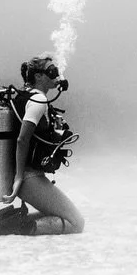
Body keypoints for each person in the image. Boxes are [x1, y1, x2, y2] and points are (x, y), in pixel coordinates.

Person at [10, 55, 85, 235]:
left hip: (29, 176)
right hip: (28, 178)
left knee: (59, 214)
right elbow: (22, 139)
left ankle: (13, 224)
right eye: (51, 71)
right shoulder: (39, 100)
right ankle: (18, 229)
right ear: (38, 76)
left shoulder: (26, 95)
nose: (55, 74)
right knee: (76, 223)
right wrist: (19, 177)